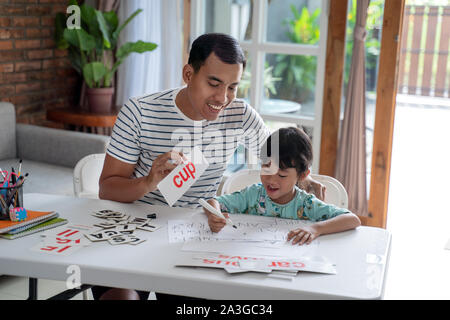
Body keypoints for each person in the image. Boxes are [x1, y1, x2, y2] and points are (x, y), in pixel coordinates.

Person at [96, 33, 325, 300]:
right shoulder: (139, 112)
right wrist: (148, 182)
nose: (222, 98)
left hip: (194, 235)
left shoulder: (240, 116)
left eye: (232, 87)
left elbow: (279, 160)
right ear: (188, 74)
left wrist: (304, 181)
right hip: (135, 228)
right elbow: (107, 189)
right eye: (214, 83)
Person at [204, 127, 361, 245]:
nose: (272, 179)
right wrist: (214, 215)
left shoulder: (306, 204)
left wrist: (315, 229)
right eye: (266, 168)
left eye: (282, 175)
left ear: (303, 175)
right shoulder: (252, 195)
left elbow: (352, 220)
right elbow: (212, 201)